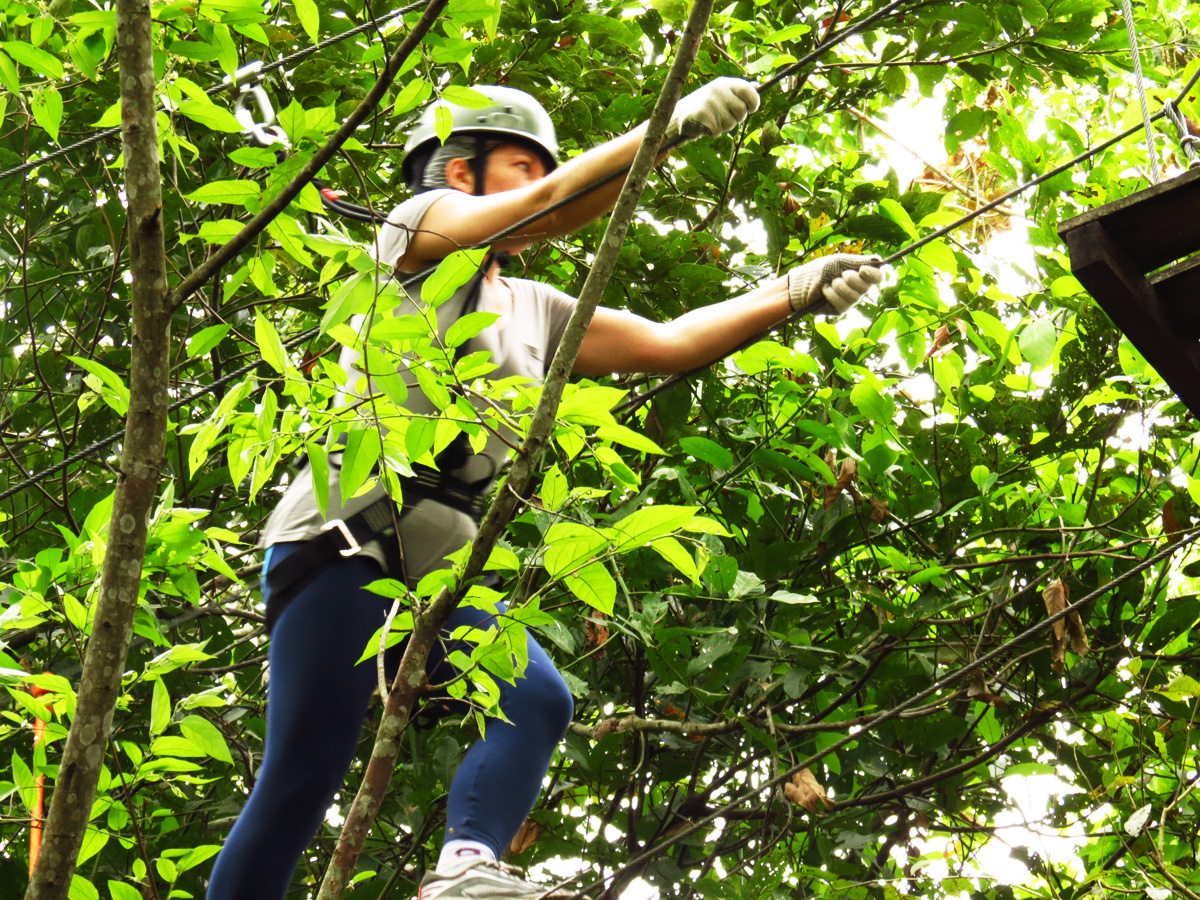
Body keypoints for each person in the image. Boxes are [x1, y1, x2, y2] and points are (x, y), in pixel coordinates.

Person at [206, 79, 882, 900]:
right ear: (459, 172)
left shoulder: (535, 306)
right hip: (341, 543)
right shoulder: (415, 233)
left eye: (537, 169)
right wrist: (663, 128)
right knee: (300, 783)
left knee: (535, 695)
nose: (536, 181)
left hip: (436, 576)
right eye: (518, 165)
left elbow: (670, 342)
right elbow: (551, 206)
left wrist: (797, 290)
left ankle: (465, 873)